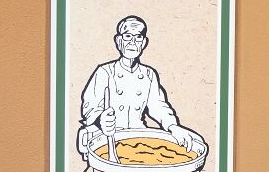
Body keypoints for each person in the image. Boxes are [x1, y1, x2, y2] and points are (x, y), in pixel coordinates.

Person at [79, 15, 202, 153]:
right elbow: (89, 107)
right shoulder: (104, 72)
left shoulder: (149, 74)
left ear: (144, 43)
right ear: (118, 41)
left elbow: (158, 106)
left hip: (138, 136)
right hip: (107, 138)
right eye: (127, 36)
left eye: (138, 37)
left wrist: (173, 126)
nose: (132, 42)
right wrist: (100, 120)